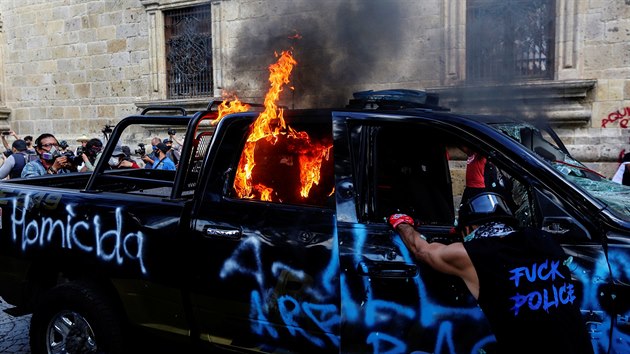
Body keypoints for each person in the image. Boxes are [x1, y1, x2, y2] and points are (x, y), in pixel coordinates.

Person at [388, 192, 593, 354]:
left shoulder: (474, 254)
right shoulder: (544, 240)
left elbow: (421, 250)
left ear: (469, 230)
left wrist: (401, 222)